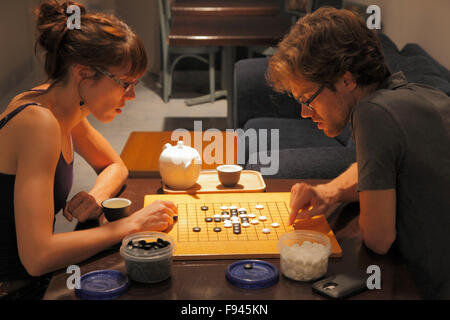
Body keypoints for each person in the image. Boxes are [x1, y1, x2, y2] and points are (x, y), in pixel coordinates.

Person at [266, 7, 450, 299]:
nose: (304, 113)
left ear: (346, 80)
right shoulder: (417, 95)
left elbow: (379, 238)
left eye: (308, 99)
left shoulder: (371, 114)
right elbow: (377, 167)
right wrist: (329, 192)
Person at [0, 1, 176, 300]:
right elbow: (38, 257)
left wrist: (96, 196)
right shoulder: (39, 122)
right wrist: (131, 224)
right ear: (83, 75)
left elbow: (115, 166)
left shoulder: (62, 106)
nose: (132, 96)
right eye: (126, 83)